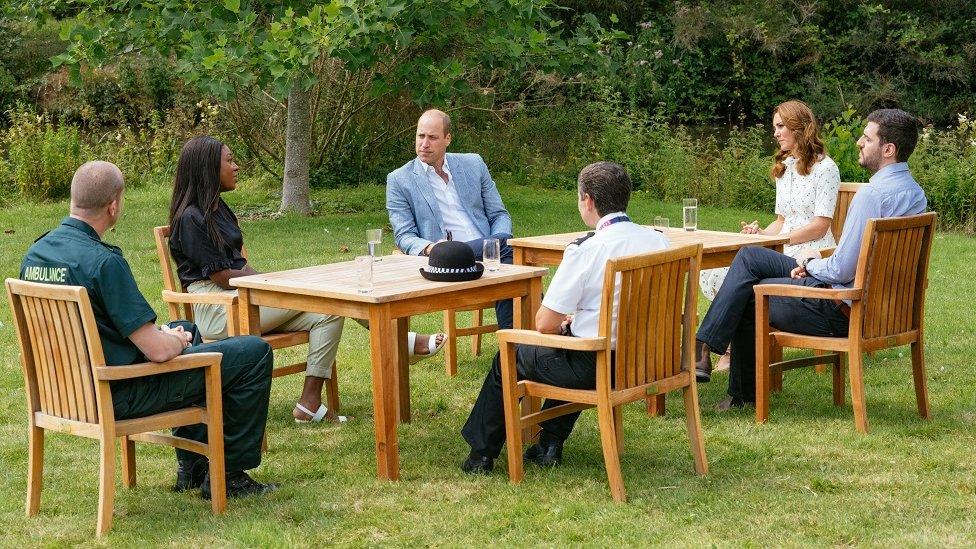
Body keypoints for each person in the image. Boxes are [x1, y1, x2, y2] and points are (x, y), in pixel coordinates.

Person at [20, 161, 277, 499]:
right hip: (118, 393)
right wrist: (173, 341)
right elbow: (157, 351)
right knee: (254, 353)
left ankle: (194, 467)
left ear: (74, 200)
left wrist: (176, 334)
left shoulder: (36, 255)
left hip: (67, 394)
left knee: (187, 326)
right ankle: (229, 477)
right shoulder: (103, 262)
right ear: (113, 206)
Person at [168, 136, 445, 424]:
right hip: (217, 309)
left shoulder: (219, 208)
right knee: (330, 297)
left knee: (328, 313)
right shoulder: (191, 219)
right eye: (229, 161)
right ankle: (401, 341)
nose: (236, 166)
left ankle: (309, 403)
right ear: (207, 168)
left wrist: (272, 282)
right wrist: (276, 284)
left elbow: (239, 265)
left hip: (242, 297)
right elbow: (224, 278)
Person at [694, 108, 928, 411]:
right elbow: (853, 260)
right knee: (751, 257)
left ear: (888, 149)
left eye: (866, 138)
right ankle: (705, 348)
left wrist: (809, 264)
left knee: (751, 293)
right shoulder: (915, 194)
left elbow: (842, 268)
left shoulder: (872, 195)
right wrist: (816, 257)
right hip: (880, 308)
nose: (858, 142)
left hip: (841, 310)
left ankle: (738, 391)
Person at [459, 161, 669, 473]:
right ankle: (549, 444)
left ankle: (481, 454)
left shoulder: (587, 249)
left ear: (588, 201)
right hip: (646, 361)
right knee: (568, 347)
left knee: (511, 355)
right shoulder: (657, 240)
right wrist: (578, 319)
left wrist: (566, 322)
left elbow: (544, 323)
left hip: (597, 365)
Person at [698, 100, 841, 377]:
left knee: (744, 274)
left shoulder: (826, 169)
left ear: (800, 128)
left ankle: (711, 348)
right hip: (782, 247)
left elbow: (821, 226)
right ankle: (728, 349)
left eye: (780, 126)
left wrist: (783, 239)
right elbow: (781, 221)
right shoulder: (785, 167)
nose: (775, 133)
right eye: (774, 126)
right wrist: (761, 234)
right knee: (718, 271)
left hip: (810, 254)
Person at [386, 109, 515, 329]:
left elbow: (499, 214)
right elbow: (404, 235)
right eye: (420, 136)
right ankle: (525, 346)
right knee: (516, 264)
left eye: (432, 137)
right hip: (448, 259)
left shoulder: (473, 164)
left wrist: (495, 243)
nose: (424, 144)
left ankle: (517, 350)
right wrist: (430, 248)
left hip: (489, 252)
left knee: (511, 261)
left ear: (447, 139)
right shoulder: (400, 179)